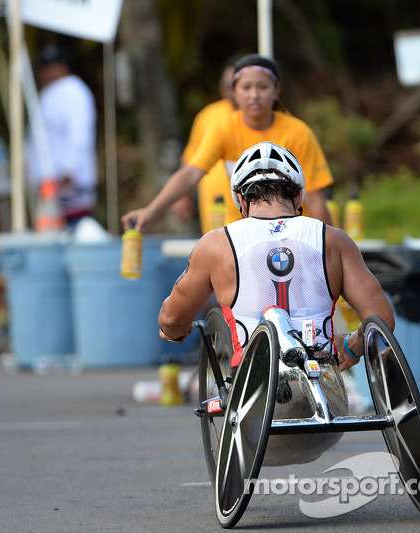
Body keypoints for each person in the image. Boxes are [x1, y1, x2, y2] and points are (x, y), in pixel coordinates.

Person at [157, 142, 394, 374]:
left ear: (241, 200)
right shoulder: (334, 239)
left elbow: (171, 319)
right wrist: (352, 347)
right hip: (322, 382)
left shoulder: (215, 244)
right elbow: (382, 321)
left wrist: (175, 330)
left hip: (254, 389)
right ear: (299, 196)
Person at [123, 54, 333, 233]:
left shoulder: (298, 133)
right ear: (234, 92)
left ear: (276, 90)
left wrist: (328, 248)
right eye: (246, 87)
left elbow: (315, 199)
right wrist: (151, 212)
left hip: (290, 236)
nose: (254, 95)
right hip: (239, 236)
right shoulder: (222, 129)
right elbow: (191, 173)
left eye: (262, 87)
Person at [26, 44, 97, 227]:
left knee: (72, 235)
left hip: (68, 184)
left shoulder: (74, 91)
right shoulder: (49, 93)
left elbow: (79, 134)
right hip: (49, 184)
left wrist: (68, 172)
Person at [171, 56, 237, 232]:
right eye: (226, 85)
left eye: (235, 85)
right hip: (214, 207)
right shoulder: (208, 116)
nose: (230, 91)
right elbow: (191, 160)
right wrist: (181, 196)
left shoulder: (265, 121)